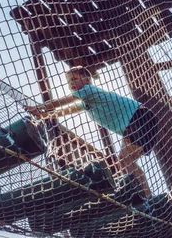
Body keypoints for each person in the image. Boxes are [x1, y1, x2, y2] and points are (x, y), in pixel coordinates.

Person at [26, 66, 157, 197]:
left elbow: (61, 102)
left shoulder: (89, 90)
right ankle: (147, 196)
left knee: (124, 161)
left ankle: (143, 197)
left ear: (87, 80)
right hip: (141, 121)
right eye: (68, 81)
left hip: (138, 118)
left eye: (75, 79)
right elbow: (66, 110)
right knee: (126, 162)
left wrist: (38, 107)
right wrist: (45, 115)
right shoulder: (86, 103)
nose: (71, 83)